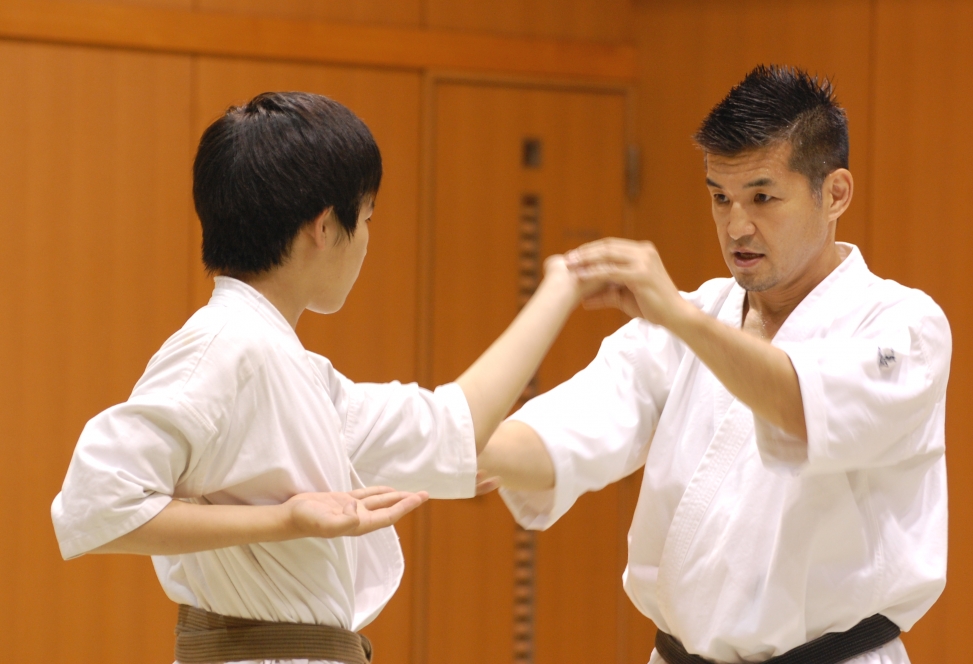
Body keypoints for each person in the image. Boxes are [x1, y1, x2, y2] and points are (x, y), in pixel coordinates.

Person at [51, 91, 585, 664]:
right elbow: (96, 505)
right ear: (326, 227)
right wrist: (283, 519)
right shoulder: (223, 345)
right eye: (369, 218)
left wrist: (563, 284)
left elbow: (453, 425)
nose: (368, 240)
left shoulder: (286, 364)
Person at [479, 65, 950, 664]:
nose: (736, 226)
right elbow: (569, 428)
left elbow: (801, 408)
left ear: (834, 194)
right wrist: (461, 448)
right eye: (720, 197)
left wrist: (680, 319)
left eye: (762, 197)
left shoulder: (902, 325)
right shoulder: (693, 318)